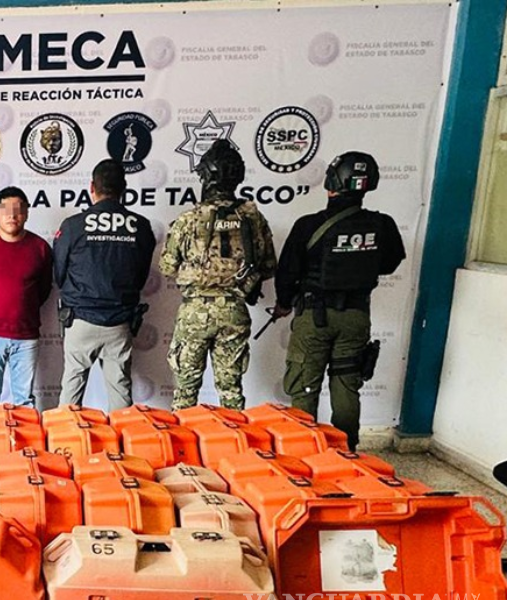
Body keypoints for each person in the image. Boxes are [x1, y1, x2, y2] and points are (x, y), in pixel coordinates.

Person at [273, 152, 405, 449]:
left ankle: (303, 452)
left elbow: (287, 272)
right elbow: (389, 263)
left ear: (331, 182)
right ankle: (346, 452)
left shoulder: (308, 225)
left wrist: (284, 303)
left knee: (304, 386)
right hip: (356, 316)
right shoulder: (382, 225)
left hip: (314, 318)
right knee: (346, 385)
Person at [160, 140, 277, 411]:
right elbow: (269, 266)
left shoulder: (189, 219)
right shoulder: (253, 218)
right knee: (231, 392)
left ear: (205, 176)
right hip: (234, 311)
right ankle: (233, 438)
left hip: (195, 313)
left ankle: (184, 439)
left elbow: (167, 266)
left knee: (185, 394)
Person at [53, 159, 156, 411]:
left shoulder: (73, 225)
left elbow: (59, 273)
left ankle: (66, 436)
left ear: (92, 187)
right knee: (120, 391)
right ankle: (123, 437)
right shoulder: (141, 226)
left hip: (80, 319)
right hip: (119, 321)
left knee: (72, 388)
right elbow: (142, 276)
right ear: (124, 189)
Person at [0, 186, 53, 408]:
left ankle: (25, 434)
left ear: (27, 213)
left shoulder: (40, 248)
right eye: (6, 210)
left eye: (18, 209)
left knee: (25, 400)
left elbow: (44, 289)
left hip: (26, 337)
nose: (12, 215)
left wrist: (24, 309)